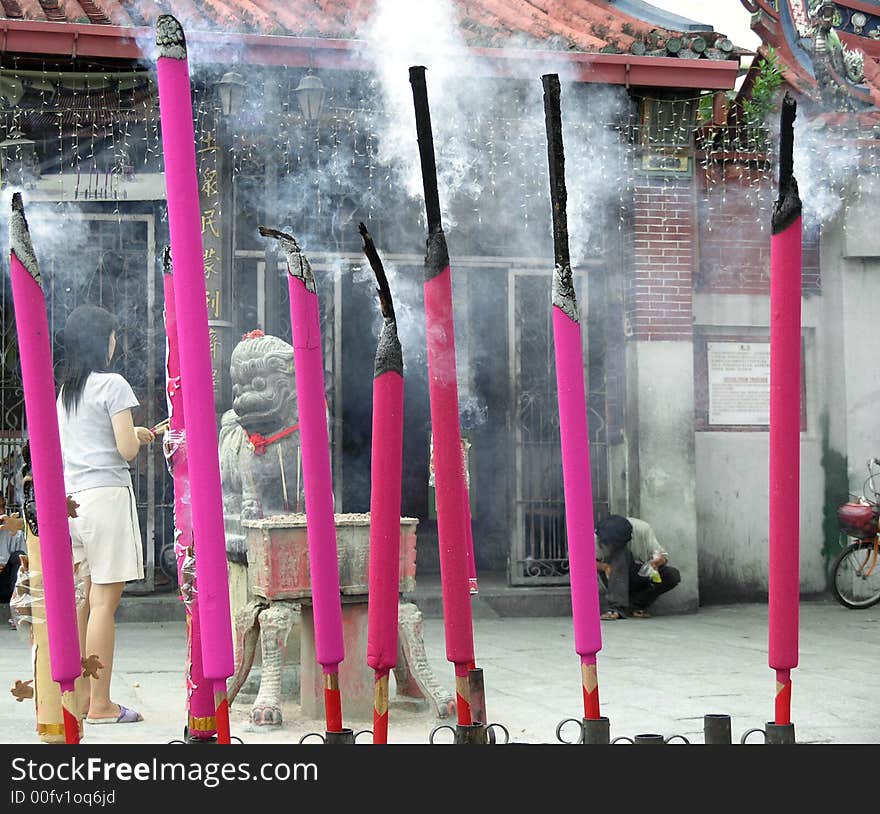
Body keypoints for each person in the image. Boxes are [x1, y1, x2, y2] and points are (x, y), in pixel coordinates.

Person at [56, 304, 155, 724]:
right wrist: (137, 436)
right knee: (103, 603)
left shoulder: (66, 391)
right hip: (106, 498)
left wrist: (131, 433)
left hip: (72, 503)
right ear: (103, 340)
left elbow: (89, 443)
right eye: (113, 335)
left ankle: (76, 699)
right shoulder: (112, 385)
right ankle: (101, 704)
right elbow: (125, 450)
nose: (116, 343)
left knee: (82, 599)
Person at [595, 514, 680, 620]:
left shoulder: (643, 529)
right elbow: (585, 563)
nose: (611, 547)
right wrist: (604, 567)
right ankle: (615, 608)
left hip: (640, 572)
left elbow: (663, 556)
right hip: (613, 576)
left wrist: (656, 562)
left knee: (672, 575)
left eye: (614, 544)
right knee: (621, 554)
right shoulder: (598, 536)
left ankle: (635, 606)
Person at [0, 495, 25, 630]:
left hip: (5, 581)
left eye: (2, 507)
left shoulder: (13, 531)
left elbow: (22, 560)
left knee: (18, 556)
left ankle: (16, 614)